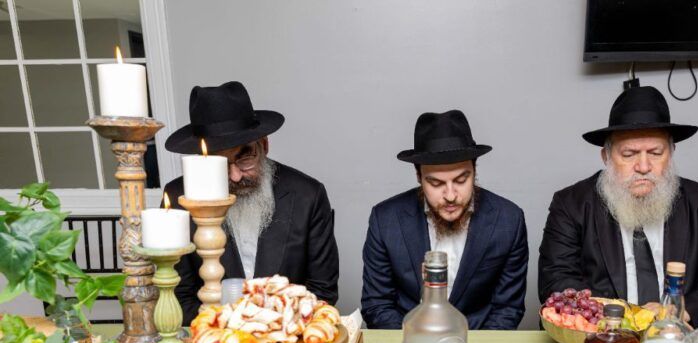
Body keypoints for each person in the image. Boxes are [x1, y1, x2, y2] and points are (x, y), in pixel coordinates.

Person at [538, 86, 698, 326]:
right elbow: (556, 281)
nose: (644, 167)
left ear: (671, 152)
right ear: (606, 157)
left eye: (656, 153)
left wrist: (680, 310)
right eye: (629, 154)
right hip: (603, 335)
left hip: (677, 336)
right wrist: (621, 319)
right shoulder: (570, 205)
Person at [163, 81, 339, 324]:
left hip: (284, 336)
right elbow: (177, 295)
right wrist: (229, 331)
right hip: (211, 336)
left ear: (263, 145)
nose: (235, 176)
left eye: (245, 158)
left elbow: (322, 291)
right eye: (219, 164)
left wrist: (269, 329)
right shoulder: (178, 199)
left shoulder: (308, 195)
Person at [361, 110, 528, 330]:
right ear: (419, 177)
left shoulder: (509, 220)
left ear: (474, 170)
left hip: (478, 340)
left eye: (461, 180)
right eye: (436, 183)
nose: (450, 195)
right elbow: (377, 304)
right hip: (407, 338)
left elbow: (507, 309)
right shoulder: (385, 220)